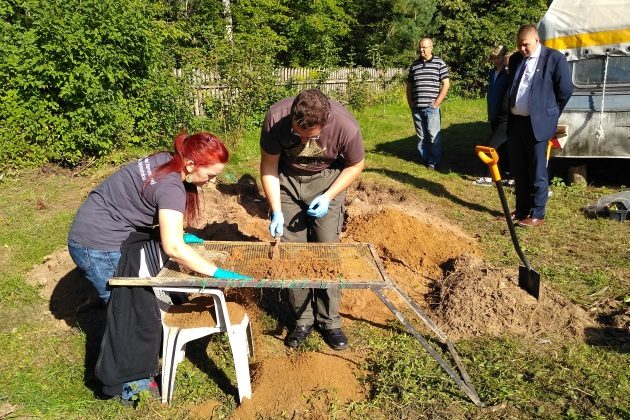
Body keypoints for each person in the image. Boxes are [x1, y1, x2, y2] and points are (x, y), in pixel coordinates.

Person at [68, 132, 250, 401]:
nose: (212, 183)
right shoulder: (171, 186)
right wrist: (217, 272)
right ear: (190, 165)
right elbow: (174, 249)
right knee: (125, 310)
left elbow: (144, 202)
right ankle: (128, 381)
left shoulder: (168, 160)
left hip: (104, 227)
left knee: (132, 306)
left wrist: (176, 229)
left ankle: (133, 363)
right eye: (210, 175)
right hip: (96, 244)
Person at [260, 89, 365, 351]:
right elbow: (269, 166)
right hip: (287, 182)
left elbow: (355, 165)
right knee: (294, 253)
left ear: (326, 121)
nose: (304, 140)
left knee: (326, 250)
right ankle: (303, 320)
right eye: (298, 134)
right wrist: (276, 209)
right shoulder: (276, 118)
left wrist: (329, 197)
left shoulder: (345, 126)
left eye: (312, 137)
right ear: (292, 119)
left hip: (328, 180)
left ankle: (330, 321)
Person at [507, 24, 573, 227]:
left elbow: (565, 90)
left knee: (537, 171)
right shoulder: (517, 59)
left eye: (526, 45)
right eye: (519, 45)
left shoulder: (554, 58)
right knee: (519, 169)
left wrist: (549, 115)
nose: (522, 49)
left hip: (538, 124)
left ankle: (537, 214)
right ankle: (521, 210)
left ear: (537, 40)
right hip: (517, 122)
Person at [406, 37, 451, 170]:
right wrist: (410, 101)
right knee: (421, 136)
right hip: (416, 107)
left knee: (433, 136)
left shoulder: (439, 63)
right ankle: (425, 159)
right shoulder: (415, 65)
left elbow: (446, 84)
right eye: (420, 47)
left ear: (431, 48)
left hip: (431, 108)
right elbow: (409, 85)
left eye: (424, 47)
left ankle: (433, 161)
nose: (421, 50)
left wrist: (437, 103)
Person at [473, 45, 512, 186]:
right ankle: (509, 176)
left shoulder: (508, 74)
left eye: (499, 57)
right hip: (494, 115)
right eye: (494, 58)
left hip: (506, 117)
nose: (496, 60)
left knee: (491, 146)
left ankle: (487, 178)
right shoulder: (492, 73)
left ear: (505, 57)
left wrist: (508, 68)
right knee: (504, 147)